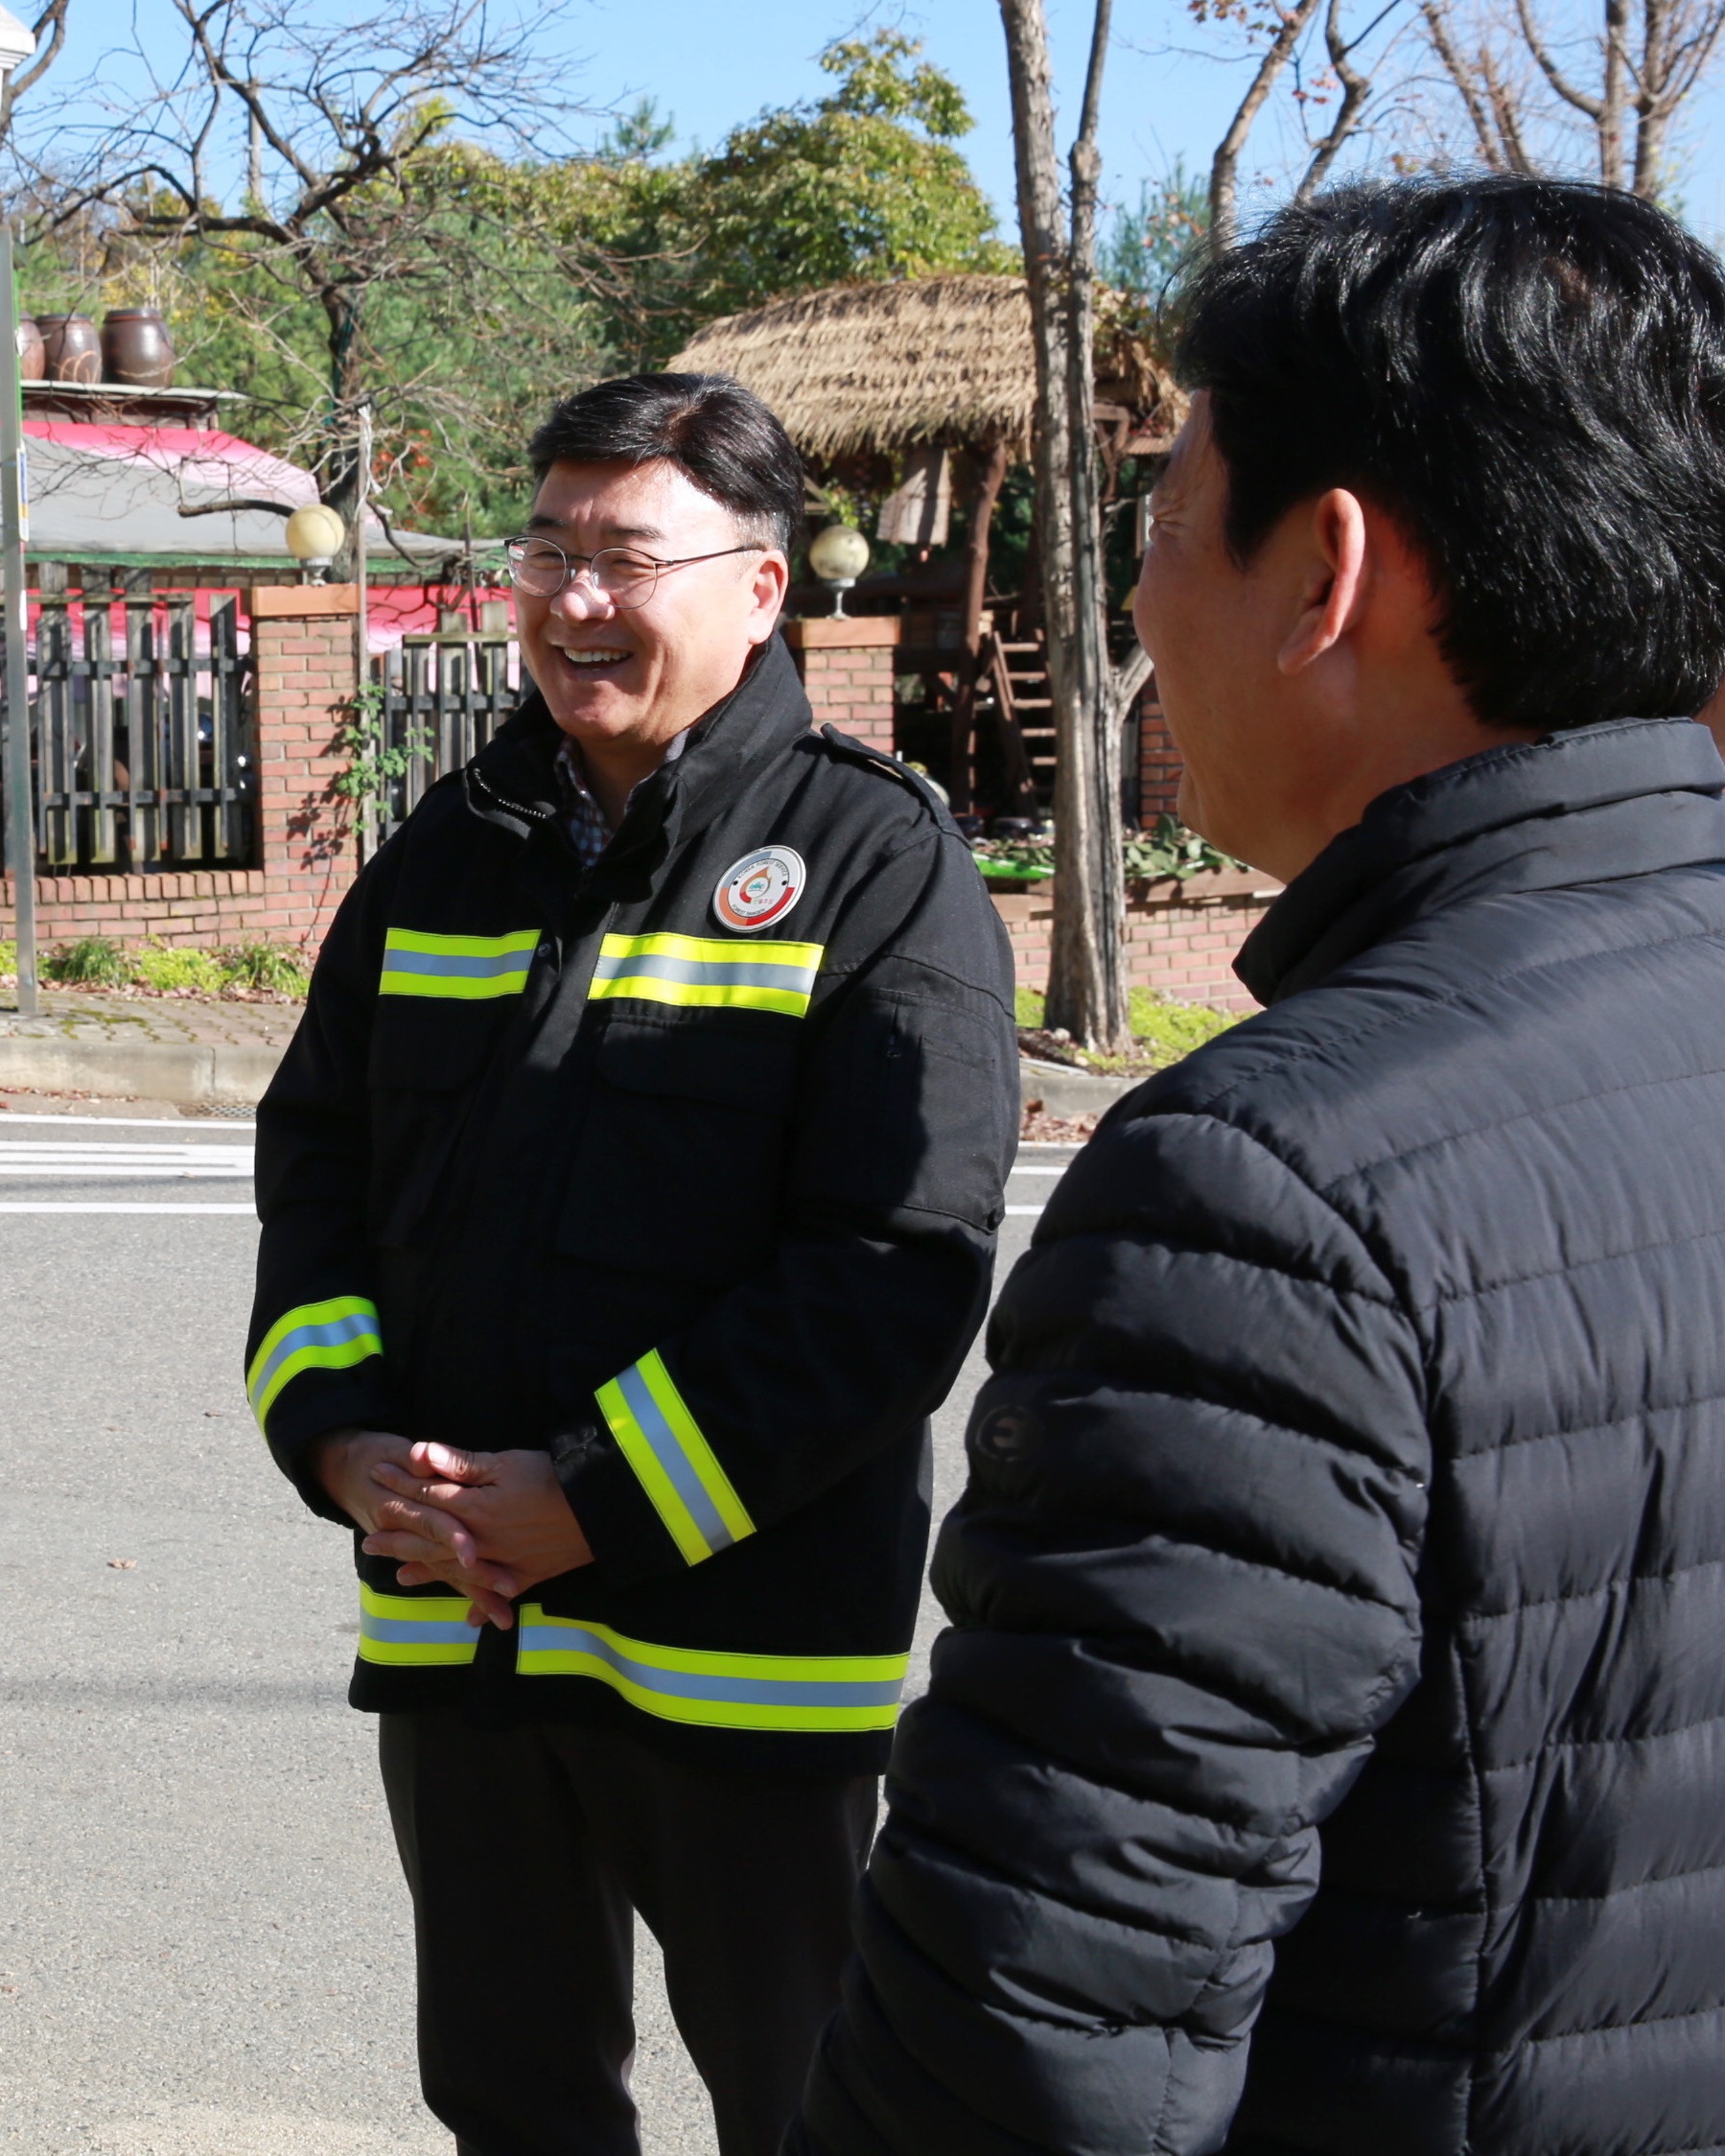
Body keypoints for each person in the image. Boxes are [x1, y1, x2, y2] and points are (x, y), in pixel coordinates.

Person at [791, 176, 1725, 2156]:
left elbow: (1038, 2040)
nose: (1133, 602)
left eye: (1155, 528)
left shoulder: (1271, 1188)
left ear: (1328, 573)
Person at [249, 372, 1020, 2156]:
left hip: (739, 1655)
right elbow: (317, 1174)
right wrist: (341, 1444)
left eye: (625, 556)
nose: (574, 599)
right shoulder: (448, 855)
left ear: (759, 587)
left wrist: (593, 1503)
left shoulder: (872, 863)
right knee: (511, 2100)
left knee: (815, 2104)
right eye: (546, 552)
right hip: (462, 1631)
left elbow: (893, 1267)